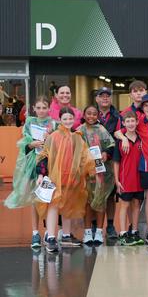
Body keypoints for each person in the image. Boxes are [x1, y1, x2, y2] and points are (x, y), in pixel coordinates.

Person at [35, 107, 96, 253]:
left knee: (69, 205)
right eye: (65, 119)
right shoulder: (53, 136)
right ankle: (51, 237)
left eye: (70, 119)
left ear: (74, 119)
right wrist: (41, 175)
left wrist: (90, 171)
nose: (68, 121)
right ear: (60, 120)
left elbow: (84, 157)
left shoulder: (77, 137)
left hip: (72, 178)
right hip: (55, 177)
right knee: (54, 205)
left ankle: (67, 236)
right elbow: (44, 155)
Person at [4, 96, 58, 248]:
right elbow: (24, 145)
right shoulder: (29, 122)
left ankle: (49, 231)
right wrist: (31, 144)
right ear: (34, 109)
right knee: (35, 200)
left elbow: (57, 144)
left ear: (49, 109)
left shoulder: (53, 124)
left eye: (44, 108)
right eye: (38, 108)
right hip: (32, 165)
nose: (41, 110)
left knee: (48, 198)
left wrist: (50, 140)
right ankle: (35, 232)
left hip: (48, 164)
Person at [115, 93, 148, 245]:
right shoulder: (139, 121)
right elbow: (118, 132)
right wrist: (123, 138)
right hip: (147, 166)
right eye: (146, 106)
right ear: (142, 108)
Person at [78, 105, 116, 246]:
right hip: (85, 173)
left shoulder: (101, 129)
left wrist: (106, 152)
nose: (91, 116)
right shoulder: (79, 131)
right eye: (89, 113)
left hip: (100, 172)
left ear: (98, 115)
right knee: (87, 202)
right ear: (84, 114)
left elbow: (111, 144)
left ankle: (99, 231)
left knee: (101, 200)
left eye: (94, 114)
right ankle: (88, 231)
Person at [113, 111, 145, 246]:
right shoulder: (120, 141)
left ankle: (134, 231)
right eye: (128, 121)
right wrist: (117, 180)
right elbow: (116, 162)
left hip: (139, 178)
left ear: (137, 122)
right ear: (124, 124)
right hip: (125, 178)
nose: (131, 123)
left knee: (136, 204)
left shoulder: (141, 139)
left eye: (133, 121)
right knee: (124, 205)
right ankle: (123, 233)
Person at [95, 87, 121, 239]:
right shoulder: (91, 114)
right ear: (97, 99)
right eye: (101, 96)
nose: (105, 98)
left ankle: (110, 225)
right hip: (94, 161)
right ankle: (93, 225)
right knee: (94, 193)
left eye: (107, 96)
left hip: (111, 160)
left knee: (110, 195)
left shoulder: (118, 116)